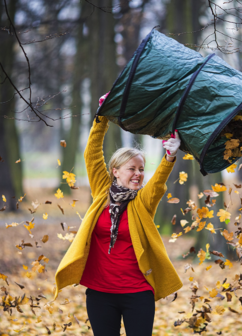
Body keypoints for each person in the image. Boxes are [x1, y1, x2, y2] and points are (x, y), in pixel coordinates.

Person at [52, 93, 183, 336]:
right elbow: (91, 154)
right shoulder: (102, 191)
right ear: (115, 172)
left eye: (141, 169)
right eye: (131, 169)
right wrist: (101, 117)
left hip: (138, 292)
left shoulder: (142, 201)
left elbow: (157, 184)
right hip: (100, 292)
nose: (138, 174)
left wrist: (170, 157)